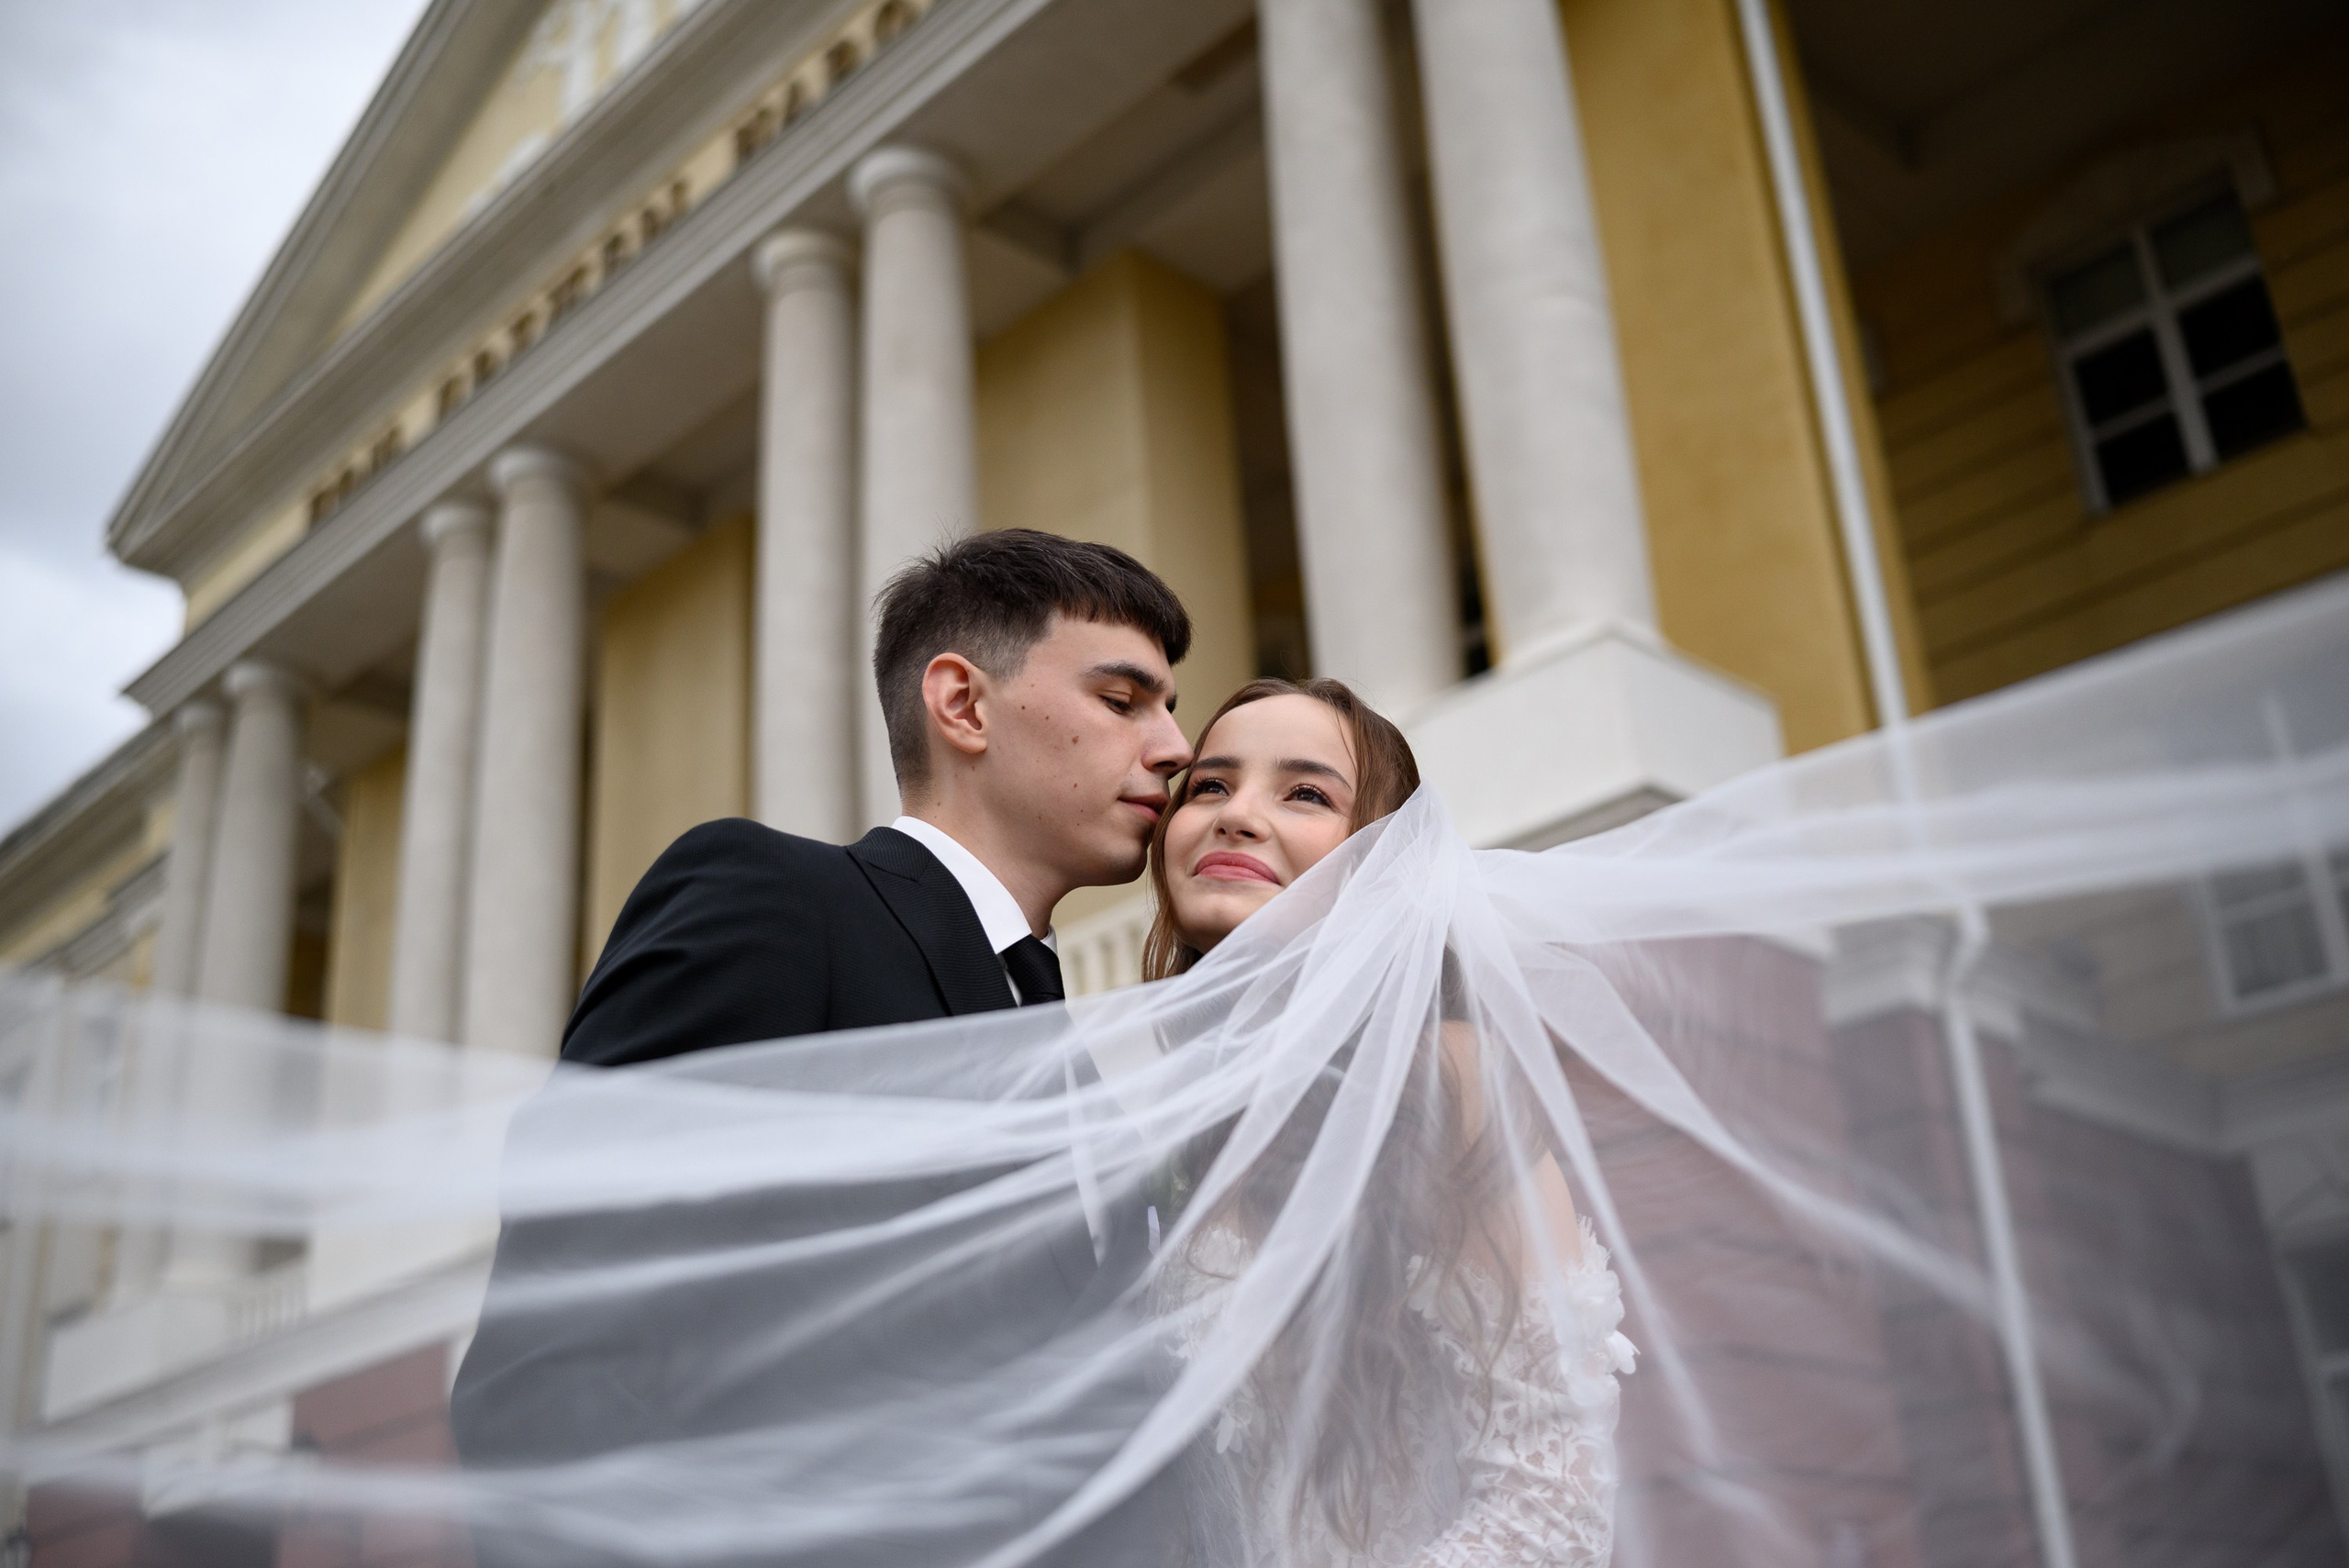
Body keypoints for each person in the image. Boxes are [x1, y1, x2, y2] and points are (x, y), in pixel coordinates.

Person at [449, 528, 1196, 1563]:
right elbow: (559, 1361)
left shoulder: (1074, 1057)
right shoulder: (772, 899)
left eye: (1168, 707)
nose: (1174, 745)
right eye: (1124, 701)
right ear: (963, 703)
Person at [1141, 678, 1637, 1568]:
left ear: (1382, 864)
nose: (1236, 814)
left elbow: (1552, 1502)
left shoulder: (1446, 1078)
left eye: (1305, 792)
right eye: (1208, 786)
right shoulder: (1183, 1112)